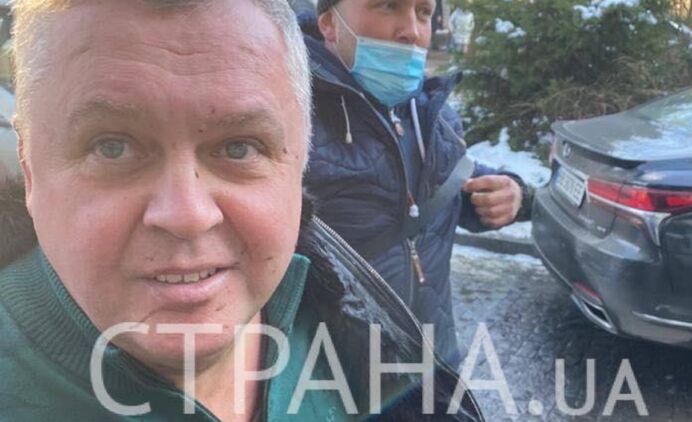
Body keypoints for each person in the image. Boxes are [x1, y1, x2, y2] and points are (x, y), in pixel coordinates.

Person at [0, 0, 483, 420]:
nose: (188, 215)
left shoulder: (350, 336)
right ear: (28, 163)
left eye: (238, 148)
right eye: (112, 147)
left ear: (301, 160)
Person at [301, 0, 532, 368]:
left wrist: (514, 193)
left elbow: (452, 184)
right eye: (388, 6)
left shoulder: (431, 111)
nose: (412, 30)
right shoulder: (291, 118)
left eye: (423, 12)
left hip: (437, 364)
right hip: (332, 377)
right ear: (329, 24)